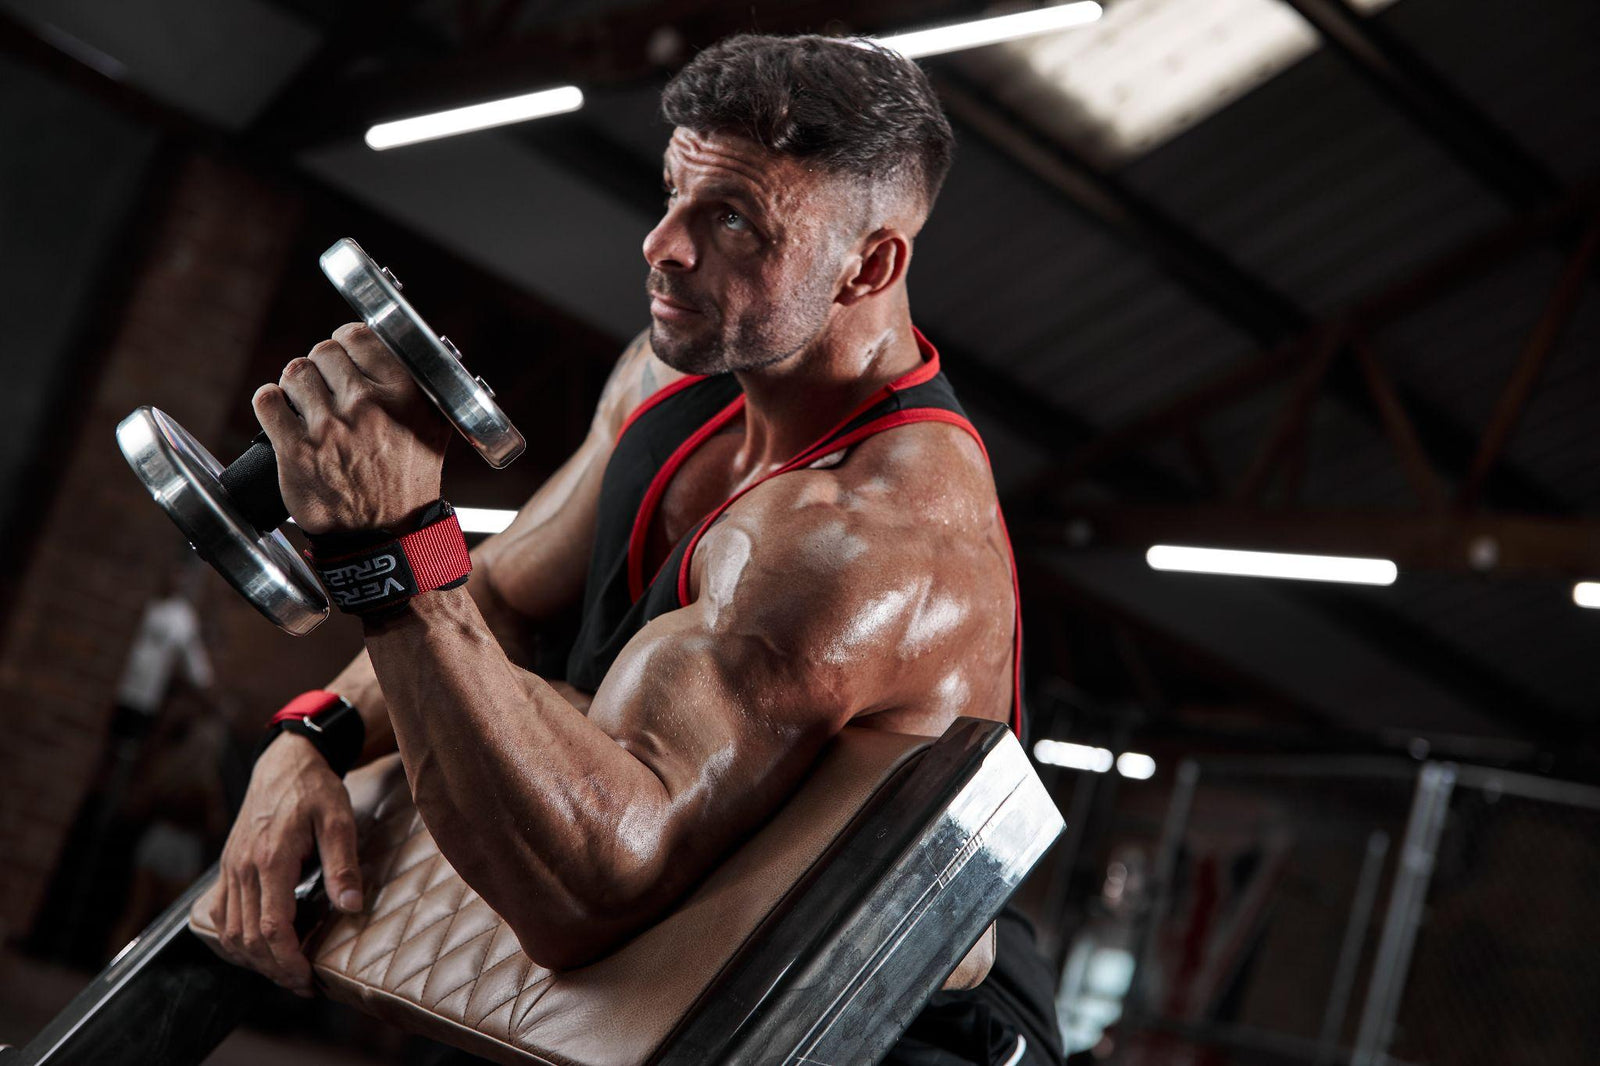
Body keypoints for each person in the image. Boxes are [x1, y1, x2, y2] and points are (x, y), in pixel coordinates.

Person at [200, 34, 1064, 1065]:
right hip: (682, 965)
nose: (662, 245)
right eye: (671, 195)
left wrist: (390, 548)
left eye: (732, 220)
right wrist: (314, 738)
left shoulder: (868, 540)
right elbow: (507, 601)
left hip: (891, 1021)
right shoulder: (672, 380)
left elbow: (595, 885)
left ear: (867, 265)